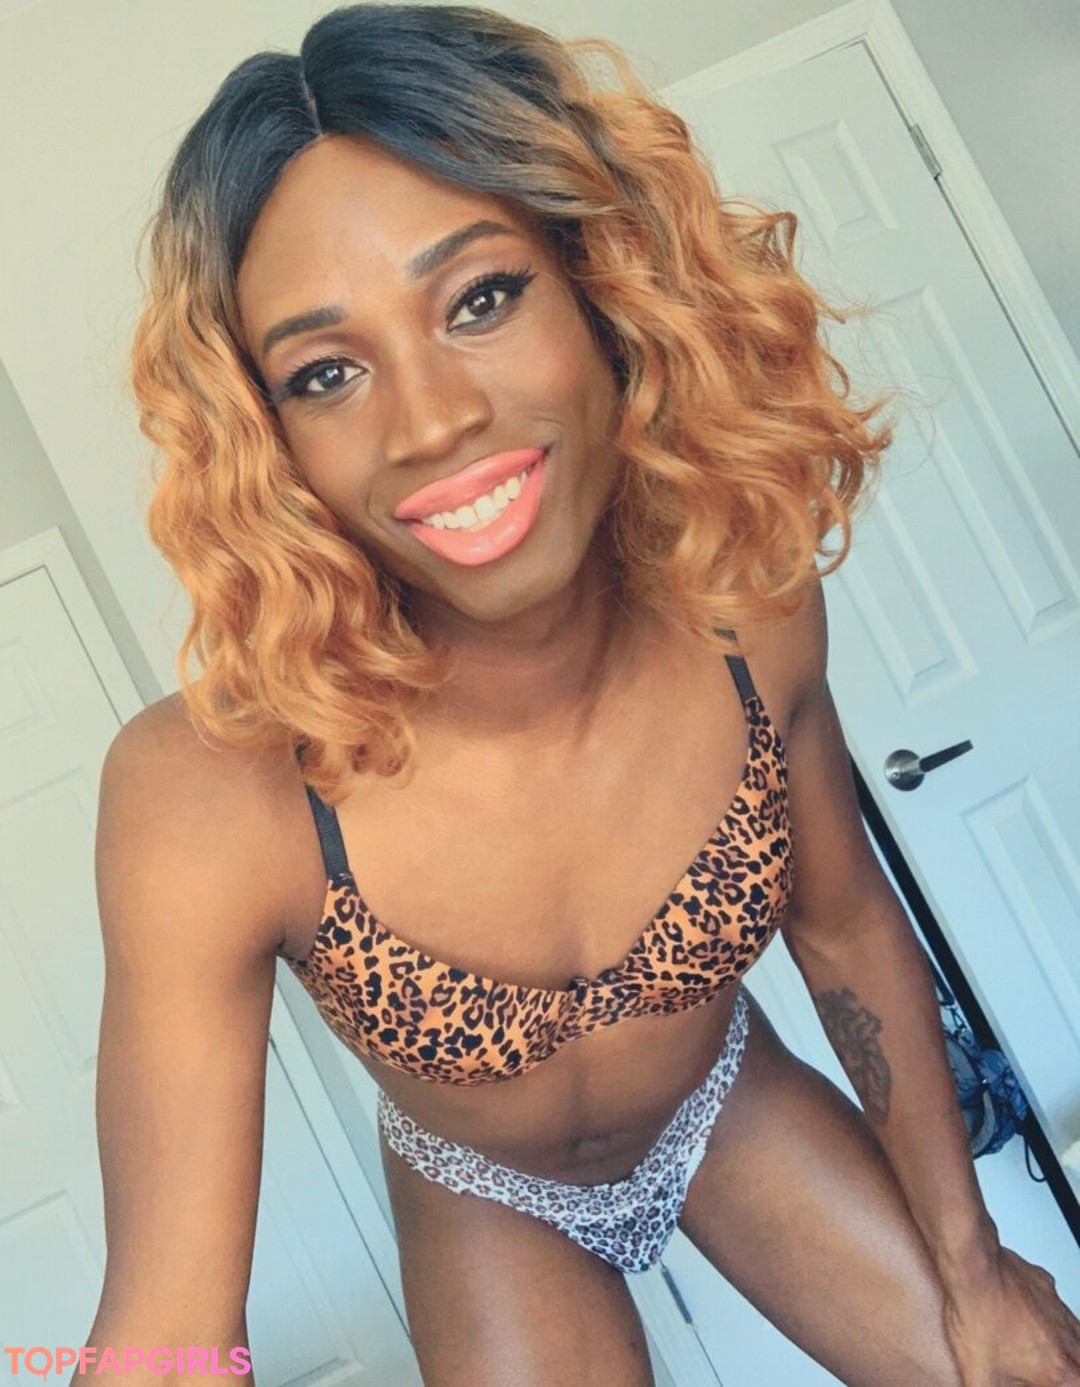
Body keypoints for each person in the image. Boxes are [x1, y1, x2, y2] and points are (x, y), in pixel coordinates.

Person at [84, 4, 1080, 1384]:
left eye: (481, 298)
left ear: (606, 284)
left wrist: (974, 1267)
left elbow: (845, 927)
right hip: (481, 1191)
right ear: (272, 441)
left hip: (724, 1102)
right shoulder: (210, 796)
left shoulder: (745, 609)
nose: (432, 421)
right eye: (328, 373)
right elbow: (166, 1326)